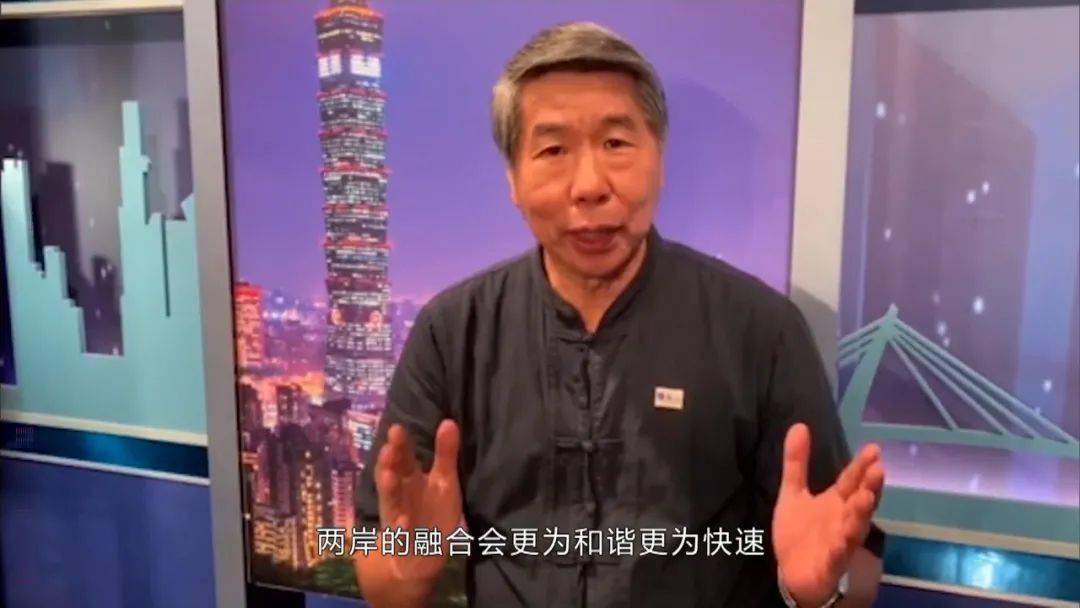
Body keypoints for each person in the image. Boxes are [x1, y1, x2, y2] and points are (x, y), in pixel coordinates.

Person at [354, 21, 886, 608]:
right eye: (553, 150)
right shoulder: (453, 332)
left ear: (659, 156)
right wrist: (407, 567)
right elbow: (379, 575)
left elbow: (854, 568)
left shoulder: (761, 331)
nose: (589, 185)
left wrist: (818, 587)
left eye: (616, 143)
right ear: (513, 179)